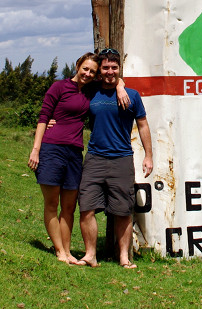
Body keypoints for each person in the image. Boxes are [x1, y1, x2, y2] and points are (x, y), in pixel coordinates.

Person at [27, 52, 128, 264]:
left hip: (74, 153)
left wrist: (120, 87)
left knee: (70, 207)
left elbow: (113, 77)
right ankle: (59, 251)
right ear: (77, 66)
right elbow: (44, 117)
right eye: (85, 69)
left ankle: (68, 251)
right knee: (52, 203)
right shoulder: (59, 87)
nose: (88, 74)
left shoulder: (91, 89)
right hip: (52, 148)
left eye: (92, 71)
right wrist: (35, 150)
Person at [77, 48, 153, 268]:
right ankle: (90, 254)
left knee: (122, 211)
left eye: (114, 68)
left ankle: (123, 257)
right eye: (106, 68)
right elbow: (70, 103)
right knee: (87, 208)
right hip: (94, 159)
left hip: (121, 160)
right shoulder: (91, 92)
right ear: (100, 71)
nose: (110, 72)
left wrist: (148, 155)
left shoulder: (133, 95)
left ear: (119, 70)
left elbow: (143, 124)